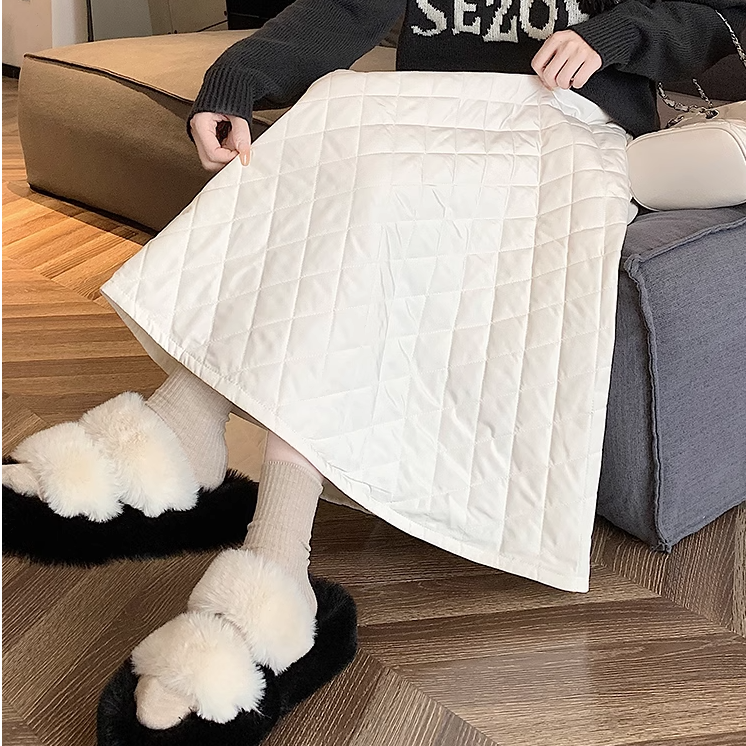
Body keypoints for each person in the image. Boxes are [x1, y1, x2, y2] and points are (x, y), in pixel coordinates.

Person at [4, 0, 745, 733]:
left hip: (569, 121)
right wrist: (237, 79)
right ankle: (196, 440)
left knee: (390, 199)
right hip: (427, 106)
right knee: (325, 119)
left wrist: (614, 34)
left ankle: (258, 536)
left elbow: (720, 12)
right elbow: (349, 6)